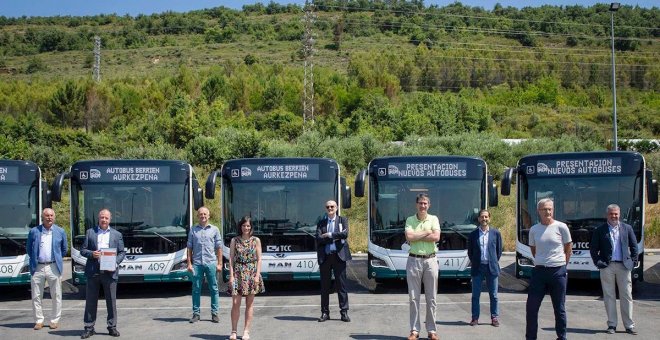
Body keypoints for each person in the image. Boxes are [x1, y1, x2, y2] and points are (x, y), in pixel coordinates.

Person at [525, 198, 572, 340]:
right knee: (531, 308)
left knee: (559, 308)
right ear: (538, 211)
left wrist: (562, 265)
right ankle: (531, 337)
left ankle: (561, 336)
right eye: (544, 209)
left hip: (557, 272)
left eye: (550, 209)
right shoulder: (534, 229)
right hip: (539, 272)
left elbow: (568, 248)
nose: (548, 211)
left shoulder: (561, 227)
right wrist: (542, 260)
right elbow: (534, 250)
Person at [590, 204, 639, 335]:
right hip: (607, 267)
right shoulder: (599, 230)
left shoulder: (627, 228)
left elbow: (634, 247)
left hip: (624, 267)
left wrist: (632, 263)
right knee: (609, 296)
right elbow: (593, 249)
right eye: (611, 214)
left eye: (616, 214)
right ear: (607, 215)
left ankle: (629, 325)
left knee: (626, 295)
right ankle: (612, 325)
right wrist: (598, 262)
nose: (614, 216)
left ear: (619, 214)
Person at [80, 209, 126, 339]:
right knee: (90, 301)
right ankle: (89, 327)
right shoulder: (90, 232)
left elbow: (122, 252)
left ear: (110, 219)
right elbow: (82, 250)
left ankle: (112, 327)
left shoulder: (117, 235)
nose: (104, 220)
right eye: (102, 218)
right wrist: (91, 254)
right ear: (98, 219)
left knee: (111, 301)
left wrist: (115, 263)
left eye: (106, 218)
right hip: (93, 271)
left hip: (110, 272)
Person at [405, 193, 441, 340]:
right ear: (416, 204)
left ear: (429, 205)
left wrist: (417, 234)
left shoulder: (434, 219)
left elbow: (436, 237)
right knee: (413, 298)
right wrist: (427, 231)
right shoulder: (410, 220)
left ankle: (432, 331)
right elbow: (409, 237)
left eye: (425, 203)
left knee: (431, 298)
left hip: (430, 261)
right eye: (420, 203)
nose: (423, 206)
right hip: (414, 261)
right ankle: (414, 331)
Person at [26, 208, 68, 330]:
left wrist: (57, 259)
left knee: (56, 295)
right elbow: (29, 249)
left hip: (53, 266)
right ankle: (39, 320)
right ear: (42, 217)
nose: (49, 218)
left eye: (51, 215)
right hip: (37, 267)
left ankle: (54, 320)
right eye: (47, 216)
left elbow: (64, 249)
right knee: (36, 295)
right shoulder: (34, 231)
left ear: (54, 217)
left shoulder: (60, 231)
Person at [227, 216, 265, 340]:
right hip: (238, 273)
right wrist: (231, 276)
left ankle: (246, 331)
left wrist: (257, 275)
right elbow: (231, 259)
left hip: (251, 273)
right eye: (244, 225)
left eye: (248, 226)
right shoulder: (234, 240)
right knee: (235, 303)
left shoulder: (256, 240)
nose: (246, 228)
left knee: (249, 304)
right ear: (240, 227)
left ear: (251, 227)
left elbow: (259, 259)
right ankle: (233, 331)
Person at [315, 200, 352, 323]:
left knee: (341, 286)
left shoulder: (343, 220)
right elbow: (319, 238)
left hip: (339, 257)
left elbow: (345, 234)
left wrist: (330, 234)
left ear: (336, 208)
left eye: (332, 206)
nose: (330, 208)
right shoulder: (321, 223)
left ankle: (344, 312)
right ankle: (325, 313)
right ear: (326, 209)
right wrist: (335, 237)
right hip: (325, 257)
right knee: (325, 287)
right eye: (328, 207)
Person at [186, 206, 222, 324]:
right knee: (196, 289)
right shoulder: (193, 230)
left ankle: (215, 313)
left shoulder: (215, 229)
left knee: (214, 288)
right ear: (198, 216)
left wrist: (220, 263)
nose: (203, 216)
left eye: (205, 214)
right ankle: (196, 314)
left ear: (209, 216)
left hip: (211, 263)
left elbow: (219, 247)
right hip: (197, 264)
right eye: (201, 214)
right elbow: (189, 247)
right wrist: (189, 263)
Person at [467, 209, 503, 327]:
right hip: (478, 267)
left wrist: (492, 261)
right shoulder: (473, 235)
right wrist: (476, 261)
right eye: (482, 217)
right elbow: (470, 252)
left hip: (491, 267)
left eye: (486, 217)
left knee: (494, 295)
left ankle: (494, 317)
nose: (484, 219)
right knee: (475, 295)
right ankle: (475, 318)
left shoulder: (496, 233)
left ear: (489, 218)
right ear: (478, 219)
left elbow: (498, 251)